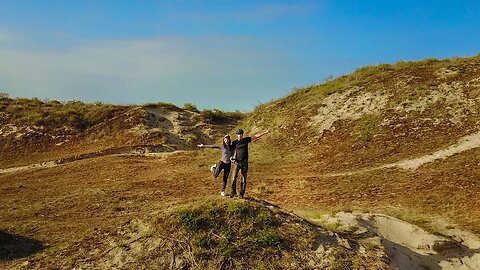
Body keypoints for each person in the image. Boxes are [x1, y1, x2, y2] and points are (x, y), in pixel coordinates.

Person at [230, 128, 270, 198]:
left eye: (241, 134)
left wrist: (265, 132)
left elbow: (255, 136)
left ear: (242, 135)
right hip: (237, 162)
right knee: (233, 178)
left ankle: (241, 194)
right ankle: (233, 192)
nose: (240, 136)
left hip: (245, 162)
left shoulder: (246, 140)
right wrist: (231, 157)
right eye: (239, 134)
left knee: (244, 179)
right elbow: (231, 151)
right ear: (237, 135)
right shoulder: (234, 143)